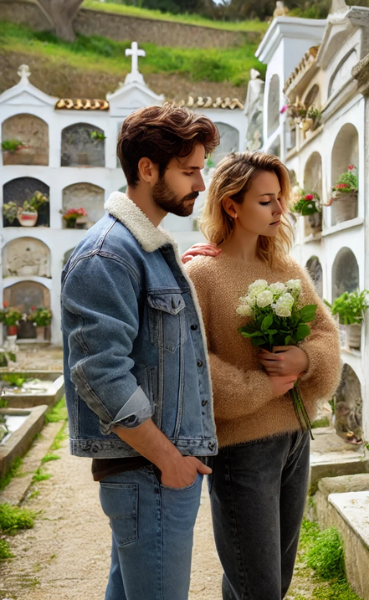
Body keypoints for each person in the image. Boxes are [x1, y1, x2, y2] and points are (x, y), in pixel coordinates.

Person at [61, 104, 220, 600]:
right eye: (189, 170)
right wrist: (170, 459)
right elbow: (100, 374)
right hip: (150, 471)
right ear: (147, 169)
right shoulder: (108, 254)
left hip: (154, 470)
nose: (201, 183)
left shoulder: (144, 246)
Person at [183, 152, 341, 600]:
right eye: (266, 201)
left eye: (280, 200)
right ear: (232, 206)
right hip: (241, 450)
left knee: (273, 581)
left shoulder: (286, 268)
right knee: (260, 587)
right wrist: (261, 386)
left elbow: (326, 334)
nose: (279, 211)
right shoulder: (200, 274)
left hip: (295, 437)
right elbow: (192, 363)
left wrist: (305, 361)